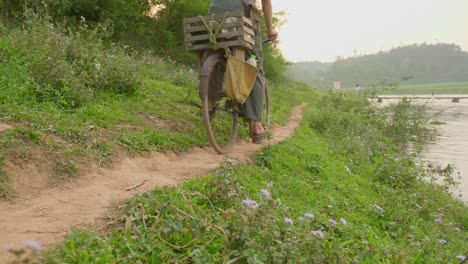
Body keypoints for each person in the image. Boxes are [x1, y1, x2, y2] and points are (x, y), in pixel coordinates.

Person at [209, 0, 278, 143]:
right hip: (243, 18)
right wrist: (270, 30)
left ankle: (209, 103)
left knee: (219, 53)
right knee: (254, 67)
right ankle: (257, 126)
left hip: (215, 16)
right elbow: (266, 2)